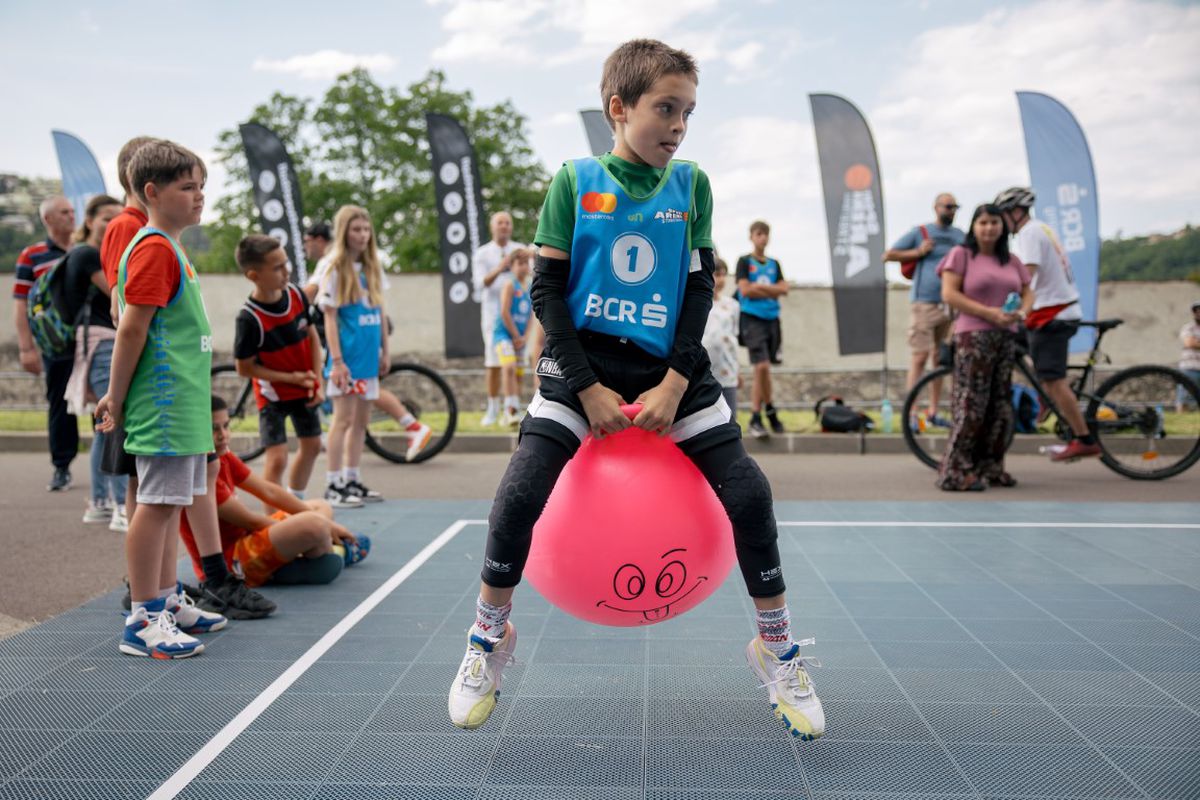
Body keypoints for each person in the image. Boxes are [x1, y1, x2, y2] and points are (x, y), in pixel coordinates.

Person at [447, 39, 824, 741]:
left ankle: (776, 647)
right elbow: (547, 291)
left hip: (668, 371)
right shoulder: (575, 179)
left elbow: (696, 290)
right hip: (581, 366)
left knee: (748, 494)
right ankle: (487, 638)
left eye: (687, 112)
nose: (678, 126)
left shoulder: (692, 185)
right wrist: (586, 390)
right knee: (521, 493)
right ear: (619, 109)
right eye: (665, 109)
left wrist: (676, 383)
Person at [94, 139, 229, 658]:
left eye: (201, 187)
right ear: (152, 192)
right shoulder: (151, 247)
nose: (199, 197)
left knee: (170, 506)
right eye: (187, 187)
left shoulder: (171, 247)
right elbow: (131, 330)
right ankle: (143, 617)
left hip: (186, 406)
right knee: (153, 506)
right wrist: (117, 396)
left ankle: (167, 600)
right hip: (165, 404)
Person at [180, 395, 367, 589]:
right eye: (214, 429)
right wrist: (316, 527)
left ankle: (314, 552)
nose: (223, 435)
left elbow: (268, 491)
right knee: (315, 525)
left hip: (247, 539)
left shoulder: (223, 455)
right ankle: (330, 550)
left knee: (320, 507)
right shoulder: (200, 470)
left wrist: (320, 524)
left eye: (226, 426)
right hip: (232, 560)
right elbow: (251, 521)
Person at [305, 224, 430, 461]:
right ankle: (345, 474)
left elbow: (307, 295)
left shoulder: (332, 263)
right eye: (357, 230)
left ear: (318, 240)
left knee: (353, 408)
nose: (305, 247)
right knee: (351, 411)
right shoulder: (336, 265)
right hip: (351, 336)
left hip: (354, 340)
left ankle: (409, 423)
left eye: (307, 241)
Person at [994, 186, 1100, 462]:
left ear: (1016, 212)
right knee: (1023, 350)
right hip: (1054, 311)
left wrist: (997, 302)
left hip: (1052, 316)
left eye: (1003, 215)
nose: (1001, 223)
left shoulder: (1029, 233)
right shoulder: (1041, 228)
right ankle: (1044, 400)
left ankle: (1083, 438)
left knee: (1053, 380)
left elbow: (1024, 279)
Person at [935, 203, 1032, 491]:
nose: (989, 228)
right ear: (974, 227)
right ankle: (955, 469)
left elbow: (1028, 291)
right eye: (984, 222)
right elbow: (950, 294)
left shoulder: (1011, 260)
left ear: (1003, 227)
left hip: (1005, 336)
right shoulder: (961, 255)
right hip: (973, 336)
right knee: (971, 404)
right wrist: (989, 313)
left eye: (995, 223)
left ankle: (990, 466)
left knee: (999, 406)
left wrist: (1022, 312)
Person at [233, 234, 323, 502]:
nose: (287, 272)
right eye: (277, 267)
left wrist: (317, 380)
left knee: (313, 445)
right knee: (277, 459)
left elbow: (312, 337)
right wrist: (289, 377)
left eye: (286, 263)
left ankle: (295, 501)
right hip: (273, 394)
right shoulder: (249, 318)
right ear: (254, 275)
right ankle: (273, 521)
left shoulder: (296, 294)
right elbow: (244, 368)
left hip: (304, 385)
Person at [59, 194, 128, 525]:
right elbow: (120, 291)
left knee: (104, 427)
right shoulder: (87, 254)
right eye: (107, 218)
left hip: (94, 345)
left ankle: (100, 502)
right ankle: (121, 505)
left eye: (119, 218)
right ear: (89, 221)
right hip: (101, 345)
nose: (114, 224)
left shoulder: (83, 254)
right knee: (114, 424)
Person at [99, 135, 157, 530]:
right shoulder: (128, 225)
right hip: (142, 371)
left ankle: (151, 579)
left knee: (151, 484)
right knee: (144, 483)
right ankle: (145, 582)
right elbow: (125, 305)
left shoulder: (141, 225)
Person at [318, 206, 390, 506]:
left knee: (361, 422)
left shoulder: (373, 266)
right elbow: (330, 318)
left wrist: (385, 350)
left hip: (368, 360)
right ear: (344, 232)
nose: (362, 235)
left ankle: (351, 478)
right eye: (356, 229)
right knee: (342, 421)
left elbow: (381, 311)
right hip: (346, 362)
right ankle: (333, 484)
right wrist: (337, 361)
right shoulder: (333, 267)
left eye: (365, 229)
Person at [883, 193, 965, 429]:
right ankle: (911, 413)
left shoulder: (959, 236)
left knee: (941, 359)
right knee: (919, 356)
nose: (951, 211)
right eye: (948, 206)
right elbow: (888, 255)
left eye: (955, 207)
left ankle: (933, 412)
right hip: (924, 303)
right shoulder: (921, 232)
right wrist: (918, 252)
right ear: (936, 207)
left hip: (951, 305)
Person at [13, 195, 77, 491]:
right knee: (59, 403)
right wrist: (27, 348)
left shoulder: (85, 249)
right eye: (64, 212)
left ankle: (111, 471)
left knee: (106, 401)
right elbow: (21, 303)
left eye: (73, 211)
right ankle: (61, 467)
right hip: (56, 344)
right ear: (47, 219)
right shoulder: (32, 255)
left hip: (92, 340)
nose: (71, 216)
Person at [472, 211, 526, 426]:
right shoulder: (483, 254)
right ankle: (493, 407)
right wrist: (502, 266)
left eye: (507, 223)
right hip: (494, 318)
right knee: (495, 363)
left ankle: (512, 407)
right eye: (499, 223)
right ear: (492, 226)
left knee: (516, 365)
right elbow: (480, 283)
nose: (504, 226)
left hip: (518, 318)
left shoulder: (518, 249)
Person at [736, 220, 788, 439]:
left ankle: (770, 410)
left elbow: (784, 288)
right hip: (752, 319)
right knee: (761, 367)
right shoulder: (744, 261)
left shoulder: (774, 263)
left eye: (766, 234)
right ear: (751, 236)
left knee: (767, 369)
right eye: (759, 234)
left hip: (772, 320)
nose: (763, 238)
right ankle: (756, 416)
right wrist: (771, 290)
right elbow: (745, 290)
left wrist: (761, 288)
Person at [494, 248, 534, 426]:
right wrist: (516, 335)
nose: (523, 267)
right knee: (508, 367)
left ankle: (515, 410)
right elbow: (504, 311)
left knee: (518, 374)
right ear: (511, 266)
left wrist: (524, 336)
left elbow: (532, 315)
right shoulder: (510, 285)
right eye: (519, 263)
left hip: (520, 337)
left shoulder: (530, 286)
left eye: (526, 263)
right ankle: (508, 409)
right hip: (504, 334)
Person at [703, 257, 741, 422]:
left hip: (728, 372)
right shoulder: (700, 304)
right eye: (717, 274)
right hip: (706, 372)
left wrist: (737, 370)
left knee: (730, 418)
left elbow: (733, 339)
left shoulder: (733, 305)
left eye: (724, 274)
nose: (721, 279)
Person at [1179, 300, 1200, 413]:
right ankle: (1182, 417)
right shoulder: (1188, 328)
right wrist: (1194, 343)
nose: (1199, 313)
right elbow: (1190, 343)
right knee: (1185, 397)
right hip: (1190, 368)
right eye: (1197, 311)